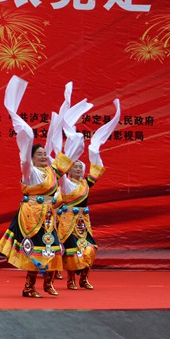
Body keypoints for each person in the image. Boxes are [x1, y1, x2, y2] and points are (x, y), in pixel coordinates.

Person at [0, 76, 86, 298]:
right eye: (40, 154)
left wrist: (69, 123)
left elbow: (72, 151)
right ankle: (29, 286)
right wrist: (26, 133)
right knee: (35, 249)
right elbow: (25, 154)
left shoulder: (52, 171)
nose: (44, 156)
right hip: (31, 215)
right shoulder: (30, 172)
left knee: (52, 247)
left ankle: (48, 284)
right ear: (32, 157)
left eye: (45, 154)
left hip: (49, 215)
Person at [57, 99, 120, 290]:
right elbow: (60, 170)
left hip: (83, 222)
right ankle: (70, 280)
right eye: (74, 167)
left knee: (90, 248)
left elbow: (97, 169)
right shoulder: (65, 183)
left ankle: (84, 278)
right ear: (69, 169)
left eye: (79, 167)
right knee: (72, 250)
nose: (77, 169)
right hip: (67, 220)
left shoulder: (86, 183)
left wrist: (94, 149)